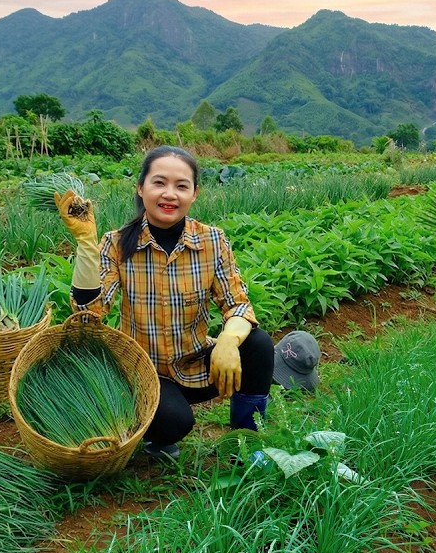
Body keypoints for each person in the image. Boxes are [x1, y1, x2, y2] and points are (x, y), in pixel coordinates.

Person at [55, 146, 274, 461]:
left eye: (181, 186)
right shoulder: (117, 244)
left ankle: (246, 443)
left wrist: (227, 338)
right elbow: (89, 316)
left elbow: (238, 305)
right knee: (174, 423)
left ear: (194, 193)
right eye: (159, 183)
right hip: (145, 371)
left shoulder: (212, 241)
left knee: (258, 344)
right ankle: (148, 422)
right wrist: (86, 243)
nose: (170, 194)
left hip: (195, 363)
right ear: (141, 188)